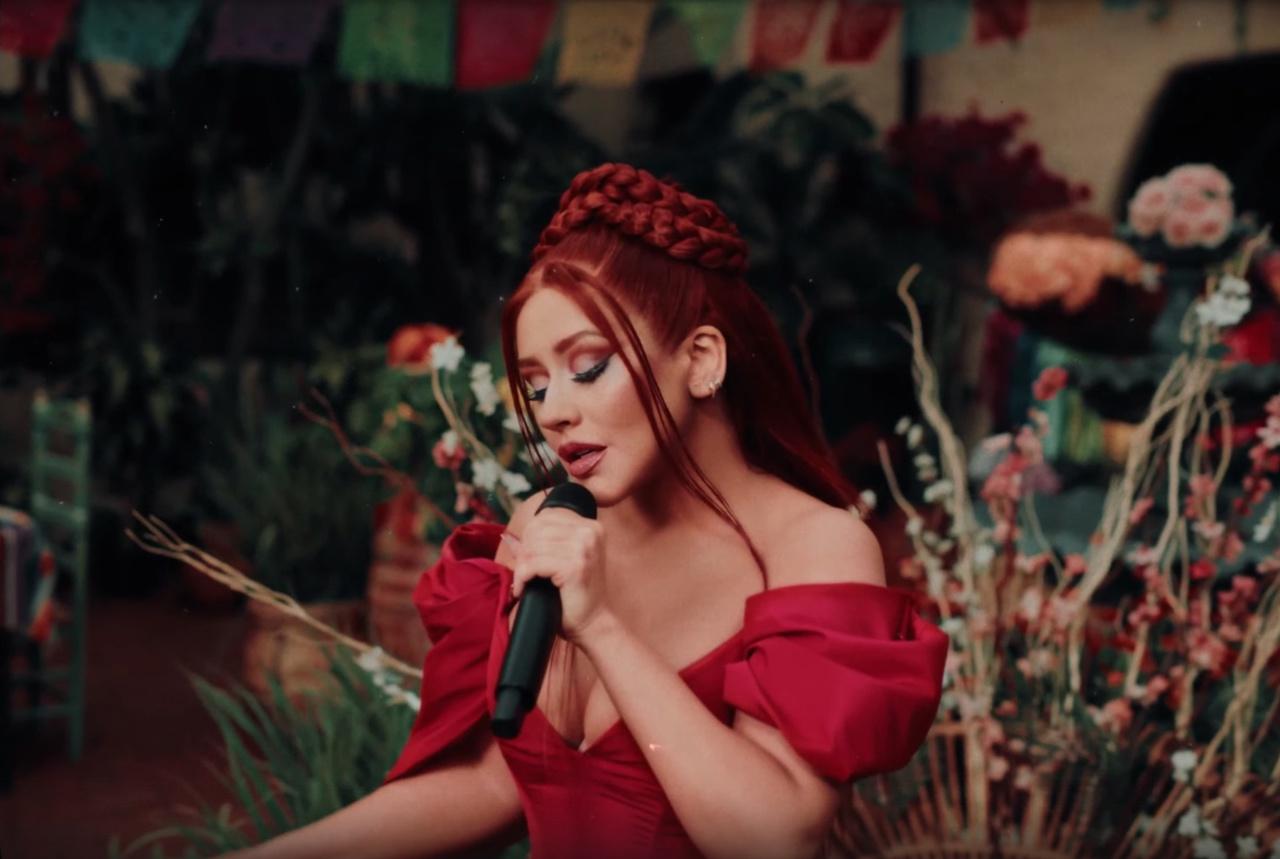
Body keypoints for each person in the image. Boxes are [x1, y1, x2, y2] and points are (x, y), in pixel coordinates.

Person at [226, 163, 947, 859]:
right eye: (536, 387)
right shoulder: (546, 527)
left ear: (702, 359)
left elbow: (772, 837)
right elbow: (496, 780)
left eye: (589, 367)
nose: (554, 414)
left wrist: (601, 626)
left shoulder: (814, 545)